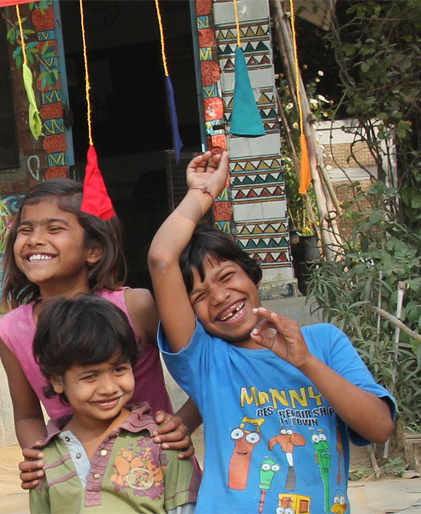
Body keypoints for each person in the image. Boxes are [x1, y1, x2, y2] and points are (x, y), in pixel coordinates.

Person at [147, 150, 396, 513]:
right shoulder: (207, 359)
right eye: (199, 296)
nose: (219, 297)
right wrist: (202, 193)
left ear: (251, 273)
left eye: (227, 276)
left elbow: (380, 428)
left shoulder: (325, 342)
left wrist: (307, 362)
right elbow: (161, 259)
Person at [0, 178, 199, 487]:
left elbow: (207, 370)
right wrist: (42, 461)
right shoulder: (12, 330)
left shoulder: (135, 306)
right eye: (26, 230)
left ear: (93, 249)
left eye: (54, 229)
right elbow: (27, 416)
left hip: (163, 477)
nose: (35, 239)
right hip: (81, 484)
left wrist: (182, 423)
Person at [28, 295, 199, 513]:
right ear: (58, 381)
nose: (109, 388)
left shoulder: (162, 442)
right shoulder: (45, 460)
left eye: (119, 369)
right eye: (90, 376)